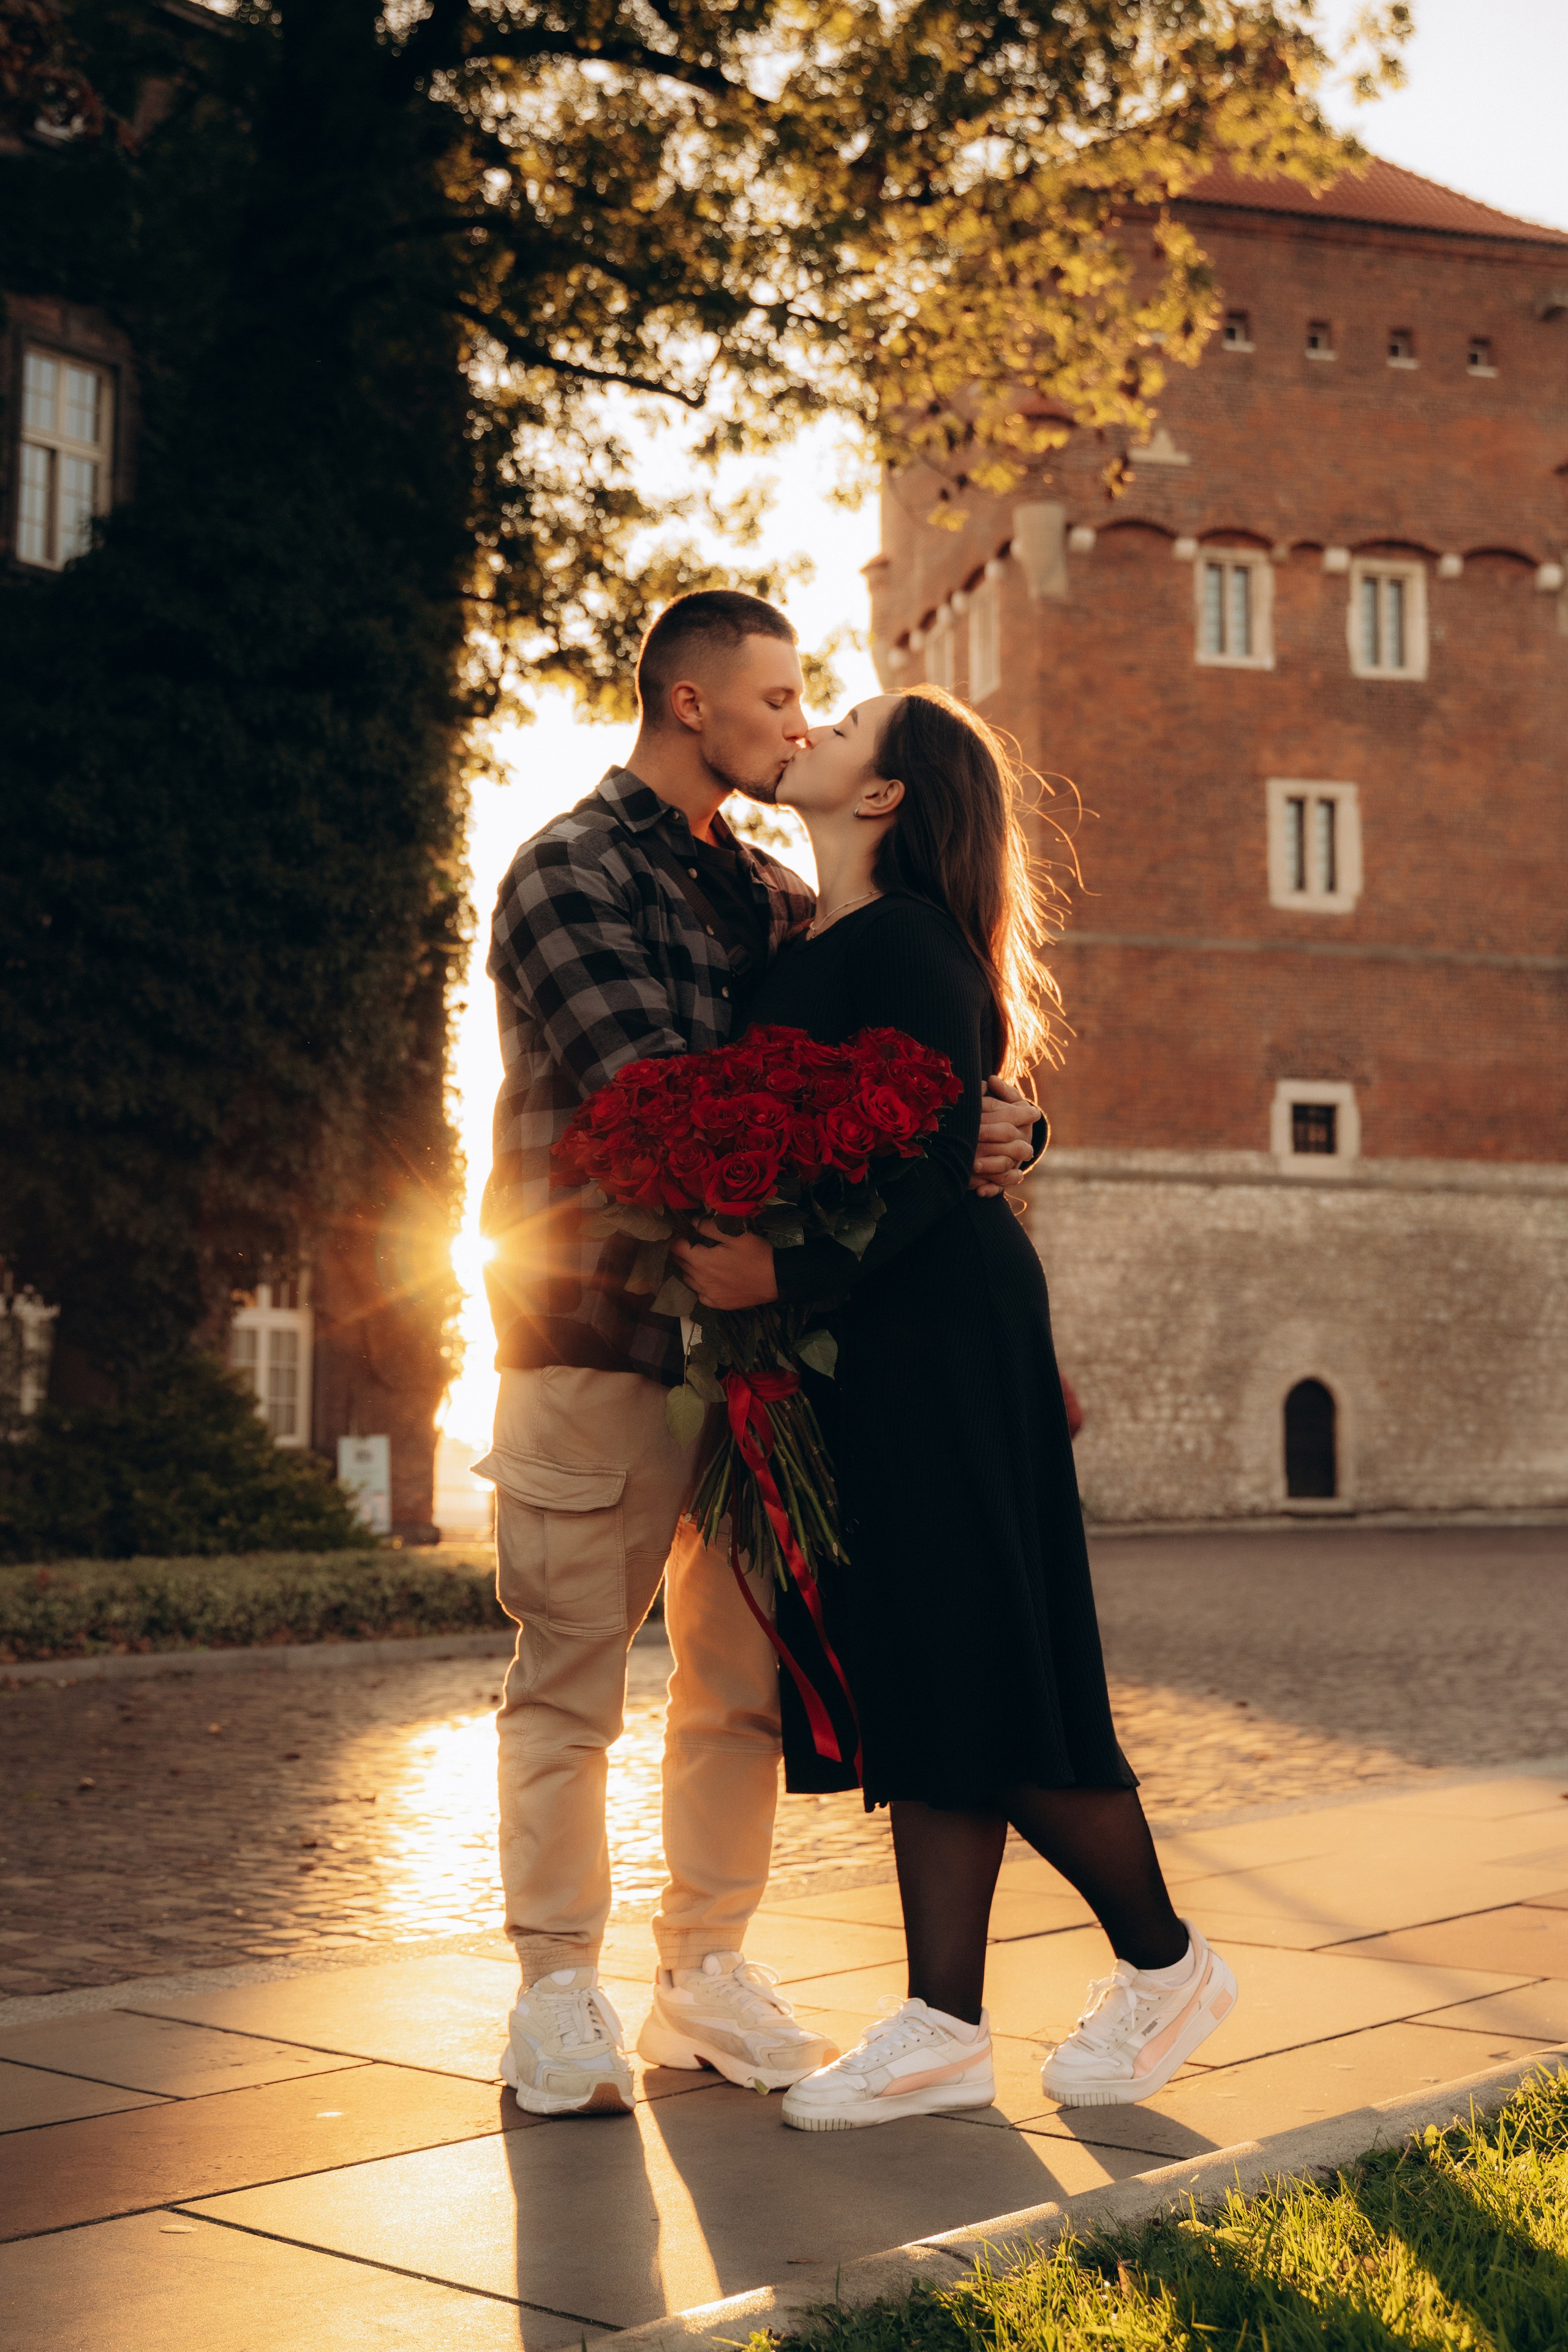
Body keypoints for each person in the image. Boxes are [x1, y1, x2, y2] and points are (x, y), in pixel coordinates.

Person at [477, 595, 1042, 2116]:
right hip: (597, 1334)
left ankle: (704, 1972)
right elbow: (661, 1107)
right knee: (570, 1681)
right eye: (780, 699)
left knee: (733, 1689)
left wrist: (994, 1120)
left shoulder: (778, 896)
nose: (800, 725)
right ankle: (554, 1993)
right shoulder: (565, 872)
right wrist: (910, 1132)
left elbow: (900, 1042)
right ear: (689, 703)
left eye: (809, 706)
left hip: (757, 1353)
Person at [673, 686, 1238, 2130]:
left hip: (940, 1335)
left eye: (847, 719)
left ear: (884, 795)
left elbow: (928, 1168)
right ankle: (942, 2024)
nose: (814, 722)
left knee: (975, 1661)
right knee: (925, 1664)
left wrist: (778, 1269)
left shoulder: (912, 943)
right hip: (876, 1338)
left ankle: (1164, 1965)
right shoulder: (822, 933)